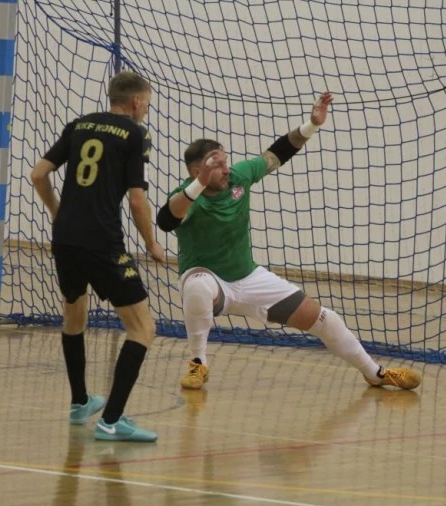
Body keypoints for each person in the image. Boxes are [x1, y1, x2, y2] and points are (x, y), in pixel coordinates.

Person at [156, 92, 421, 392]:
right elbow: (166, 220)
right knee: (197, 286)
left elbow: (277, 153)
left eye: (226, 161)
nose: (227, 169)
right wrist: (199, 184)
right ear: (197, 172)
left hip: (249, 277)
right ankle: (198, 363)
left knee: (325, 318)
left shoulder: (238, 178)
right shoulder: (187, 196)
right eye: (217, 165)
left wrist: (311, 125)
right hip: (210, 279)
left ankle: (376, 373)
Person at [31, 70, 166, 442]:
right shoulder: (136, 134)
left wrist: (57, 211)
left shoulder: (79, 125)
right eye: (147, 105)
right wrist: (152, 244)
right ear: (136, 102)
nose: (146, 112)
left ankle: (79, 402)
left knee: (74, 314)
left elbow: (39, 174)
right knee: (143, 328)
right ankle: (111, 421)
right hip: (101, 241)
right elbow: (137, 199)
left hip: (65, 239)